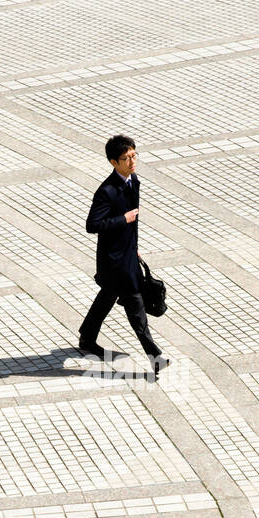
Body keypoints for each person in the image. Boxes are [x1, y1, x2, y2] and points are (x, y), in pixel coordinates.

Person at [79, 134, 172, 377]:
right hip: (115, 262)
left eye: (133, 155)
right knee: (135, 306)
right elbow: (92, 225)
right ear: (113, 162)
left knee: (108, 296)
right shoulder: (107, 191)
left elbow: (133, 222)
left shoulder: (133, 181)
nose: (132, 161)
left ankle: (87, 338)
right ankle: (155, 356)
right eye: (126, 158)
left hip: (128, 255)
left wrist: (134, 243)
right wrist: (123, 219)